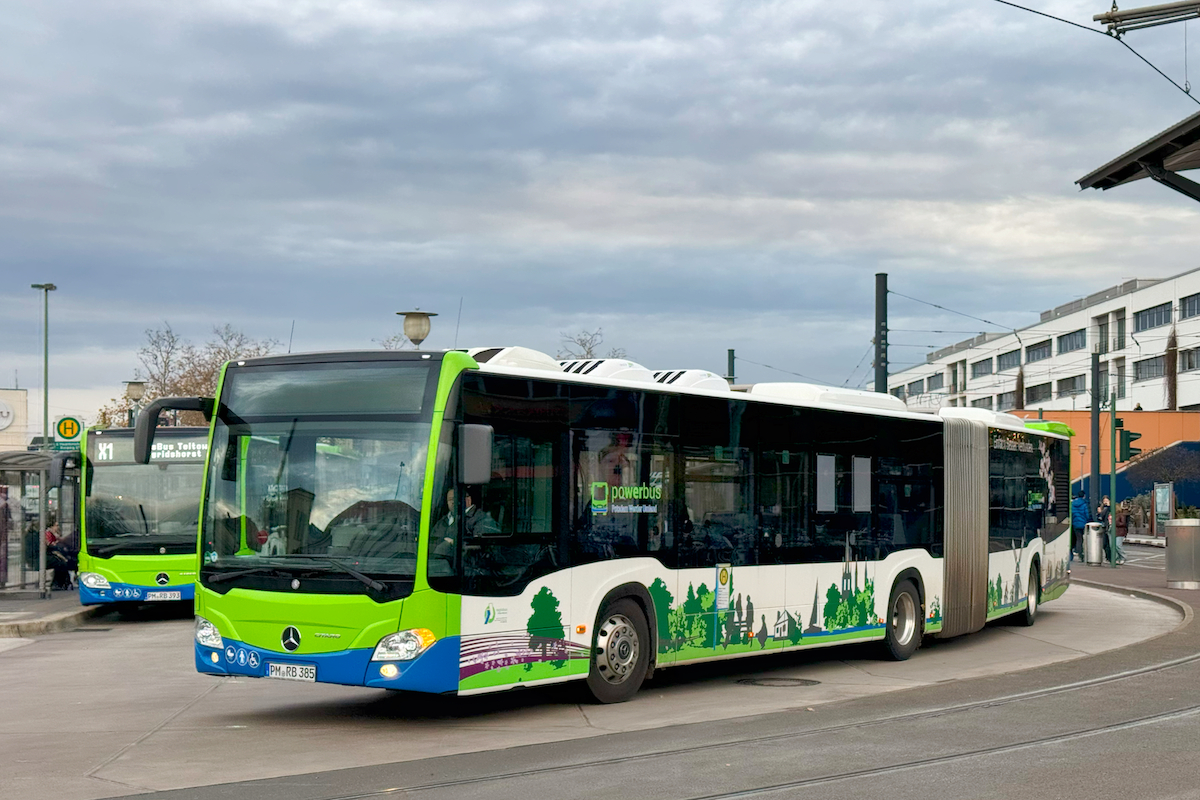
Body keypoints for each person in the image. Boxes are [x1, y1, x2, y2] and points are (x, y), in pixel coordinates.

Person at [1070, 490, 1090, 563]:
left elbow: (1071, 513)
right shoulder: (1084, 504)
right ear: (1084, 496)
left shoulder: (1073, 504)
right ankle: (1080, 554)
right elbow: (1087, 514)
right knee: (1081, 539)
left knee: (1077, 538)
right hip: (1083, 523)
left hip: (1075, 523)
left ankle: (1076, 553)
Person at [1097, 496, 1113, 563]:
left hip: (1109, 526)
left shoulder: (1110, 508)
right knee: (1104, 544)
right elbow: (1099, 517)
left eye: (1106, 500)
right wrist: (1099, 512)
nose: (1105, 502)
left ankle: (1110, 557)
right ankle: (1108, 556)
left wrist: (1108, 506)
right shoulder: (1102, 508)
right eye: (1104, 500)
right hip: (1104, 527)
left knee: (1110, 543)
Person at [1114, 500, 1130, 565]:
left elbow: (1123, 523)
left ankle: (1123, 557)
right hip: (1115, 531)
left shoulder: (1121, 515)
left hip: (1120, 532)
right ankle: (1118, 558)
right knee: (1114, 546)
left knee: (1118, 545)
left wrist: (1115, 523)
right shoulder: (1113, 515)